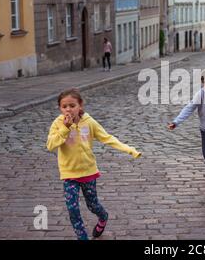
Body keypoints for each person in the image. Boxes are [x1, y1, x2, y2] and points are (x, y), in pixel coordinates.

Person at [46, 88, 141, 240]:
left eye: (72, 105)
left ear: (80, 105)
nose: (68, 109)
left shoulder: (89, 123)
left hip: (88, 172)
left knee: (93, 205)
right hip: (69, 175)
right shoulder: (58, 124)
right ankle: (82, 236)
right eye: (64, 106)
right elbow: (50, 145)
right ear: (60, 108)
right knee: (73, 209)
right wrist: (65, 128)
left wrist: (130, 150)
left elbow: (107, 138)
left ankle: (103, 217)